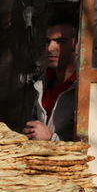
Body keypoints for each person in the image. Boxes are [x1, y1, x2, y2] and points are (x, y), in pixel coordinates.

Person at [24, 12, 79, 142]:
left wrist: (51, 139)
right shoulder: (44, 83)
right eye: (48, 41)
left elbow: (91, 145)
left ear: (77, 46)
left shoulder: (84, 89)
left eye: (60, 41)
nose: (50, 48)